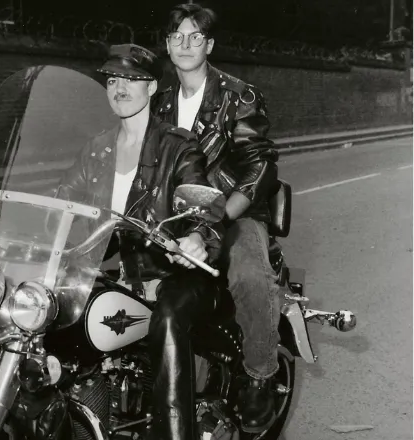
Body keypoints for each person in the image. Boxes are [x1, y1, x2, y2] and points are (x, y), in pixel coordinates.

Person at [57, 43, 224, 440]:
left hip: (178, 274)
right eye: (113, 79)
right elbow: (64, 198)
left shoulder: (178, 145)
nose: (119, 88)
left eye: (131, 80)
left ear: (152, 88)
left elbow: (204, 205)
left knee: (167, 319)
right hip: (126, 272)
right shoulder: (96, 149)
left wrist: (197, 236)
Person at [152, 3, 283, 433]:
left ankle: (260, 375)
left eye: (195, 37)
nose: (185, 45)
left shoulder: (238, 95)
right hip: (177, 218)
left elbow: (260, 167)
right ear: (167, 44)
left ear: (209, 44)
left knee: (248, 272)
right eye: (177, 37)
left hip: (235, 212)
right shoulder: (159, 98)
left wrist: (224, 210)